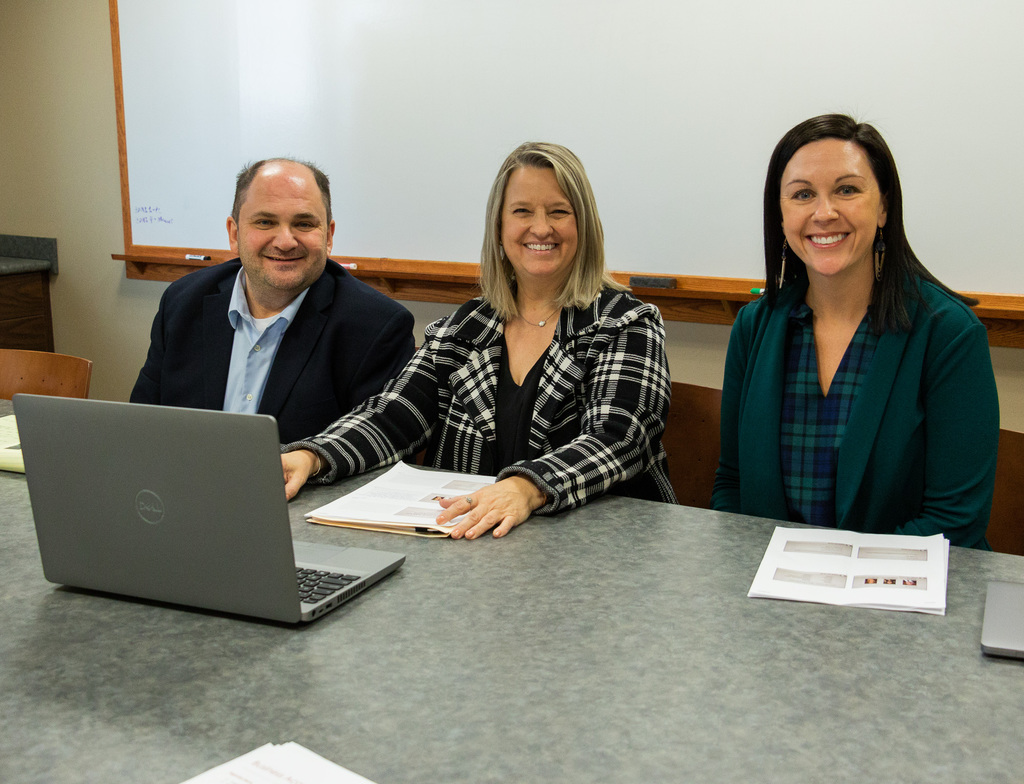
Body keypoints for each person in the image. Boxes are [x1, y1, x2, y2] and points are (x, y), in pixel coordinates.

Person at [281, 142, 675, 539]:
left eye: (559, 211)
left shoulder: (626, 323)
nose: (541, 228)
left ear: (583, 225)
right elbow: (392, 416)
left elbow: (618, 438)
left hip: (597, 550)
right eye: (522, 211)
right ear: (500, 227)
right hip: (472, 545)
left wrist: (527, 487)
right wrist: (314, 455)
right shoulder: (463, 328)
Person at [712, 114, 999, 548]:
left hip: (899, 601)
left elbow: (955, 521)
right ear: (781, 212)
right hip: (769, 597)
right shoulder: (754, 327)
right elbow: (731, 486)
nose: (824, 213)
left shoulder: (949, 333)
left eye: (847, 190)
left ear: (883, 206)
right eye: (802, 194)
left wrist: (834, 582)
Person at [131, 158, 415, 444]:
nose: (285, 241)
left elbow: (372, 453)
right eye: (265, 222)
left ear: (328, 236)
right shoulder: (182, 302)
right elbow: (141, 425)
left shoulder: (375, 326)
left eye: (303, 223)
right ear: (234, 233)